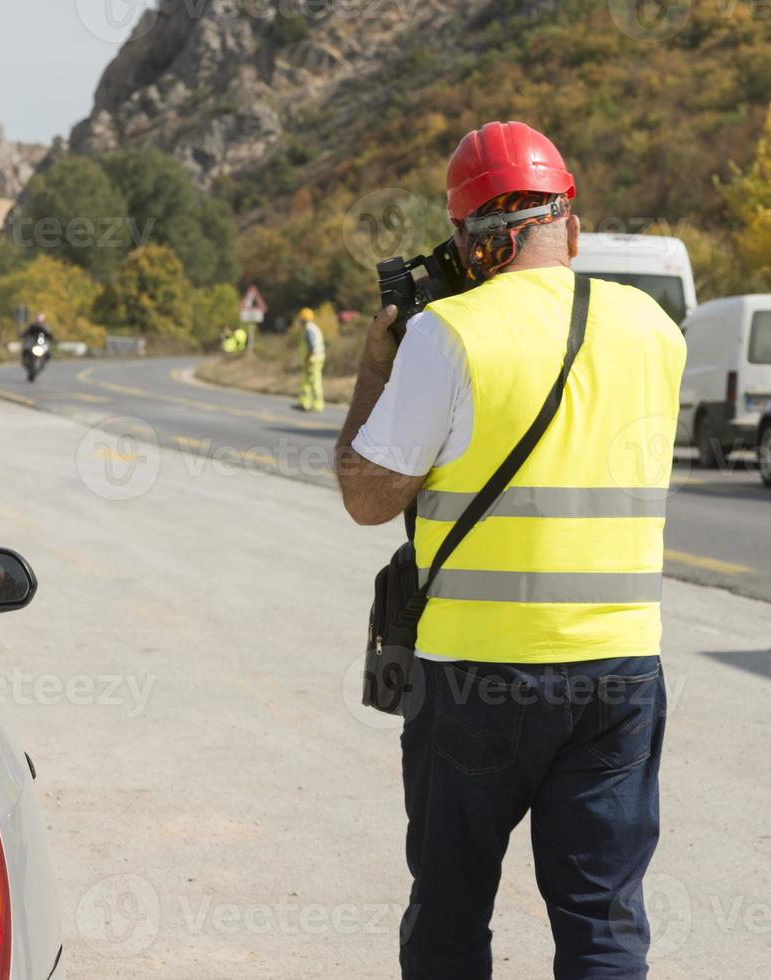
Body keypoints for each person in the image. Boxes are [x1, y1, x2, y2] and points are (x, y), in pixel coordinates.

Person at [334, 121, 686, 979]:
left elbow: (367, 498)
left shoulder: (446, 334)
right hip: (619, 670)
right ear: (567, 222)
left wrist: (374, 369)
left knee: (451, 911)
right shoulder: (654, 327)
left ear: (465, 239)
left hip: (474, 678)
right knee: (602, 921)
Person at [298, 307, 326, 412]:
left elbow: (311, 347)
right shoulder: (313, 328)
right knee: (308, 382)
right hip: (315, 359)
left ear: (303, 319)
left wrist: (308, 358)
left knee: (314, 382)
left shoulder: (309, 329)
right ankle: (306, 403)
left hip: (313, 360)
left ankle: (317, 405)